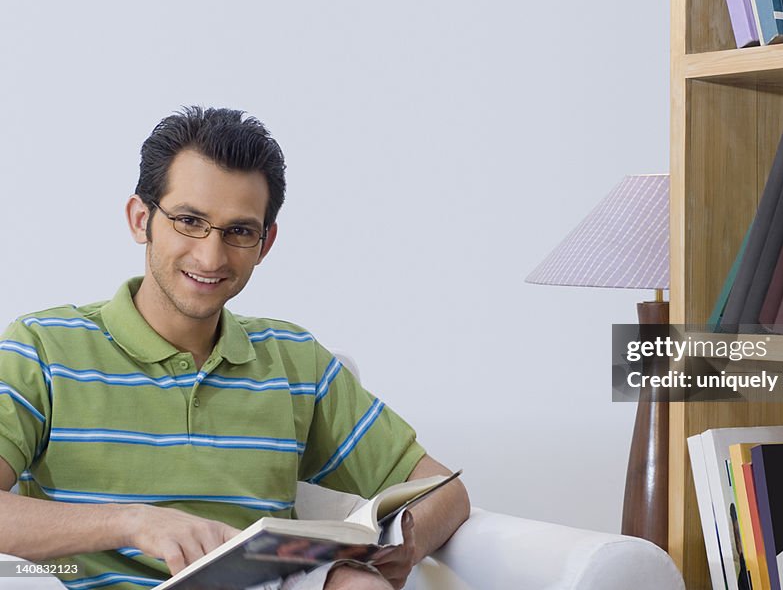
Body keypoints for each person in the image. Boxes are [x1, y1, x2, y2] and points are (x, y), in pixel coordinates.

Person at [0, 107, 470, 590]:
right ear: (141, 219)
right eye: (189, 221)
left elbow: (444, 491)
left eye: (240, 232)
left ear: (265, 244)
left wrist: (393, 549)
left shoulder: (295, 361)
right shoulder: (42, 347)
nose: (211, 256)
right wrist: (134, 523)